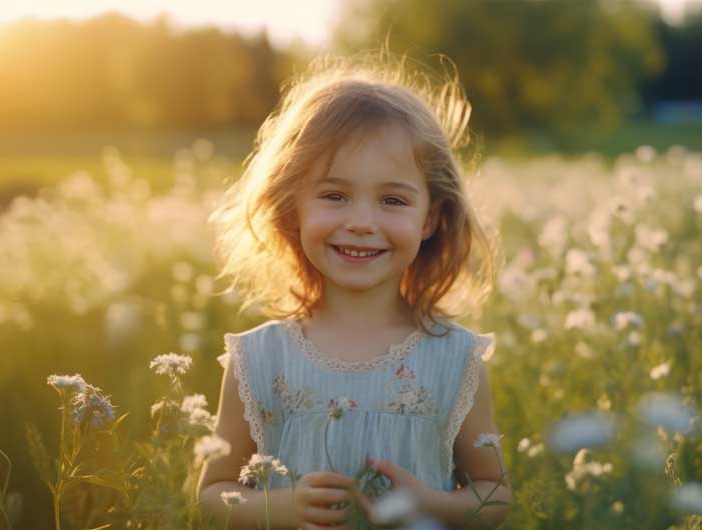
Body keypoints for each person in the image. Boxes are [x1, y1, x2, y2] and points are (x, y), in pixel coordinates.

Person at [197, 49, 511, 530]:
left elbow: (495, 494)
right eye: (334, 195)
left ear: (429, 218)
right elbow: (213, 494)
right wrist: (285, 507)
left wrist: (431, 503)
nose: (362, 223)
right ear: (293, 206)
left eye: (392, 199)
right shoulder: (259, 358)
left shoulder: (454, 359)